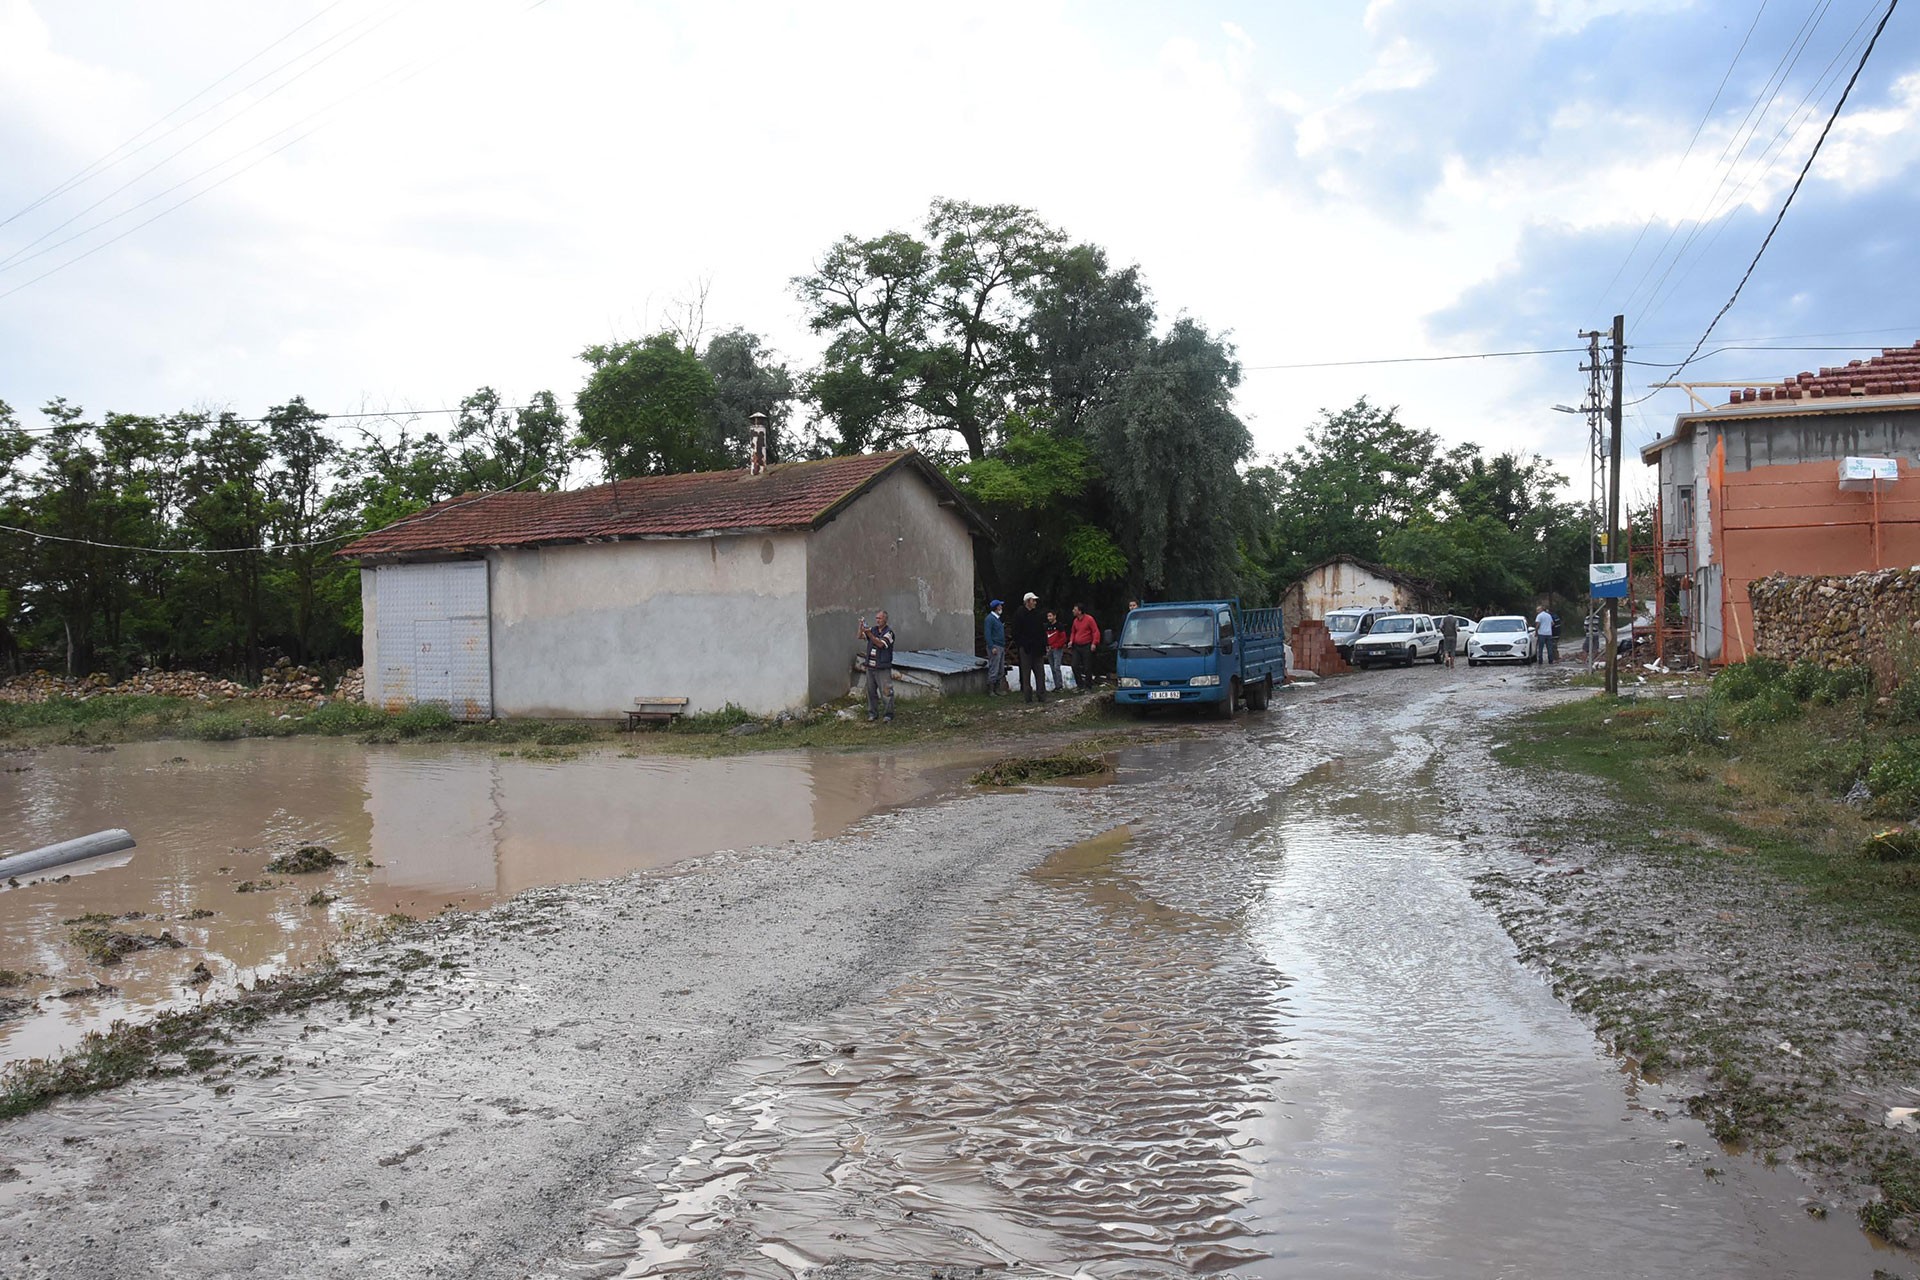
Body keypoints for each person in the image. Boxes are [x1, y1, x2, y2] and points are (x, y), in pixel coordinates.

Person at [1011, 591, 1048, 703]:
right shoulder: (1019, 614)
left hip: (1038, 648)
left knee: (1040, 672)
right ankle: (1028, 697)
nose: (1035, 602)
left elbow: (1042, 631)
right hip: (1026, 648)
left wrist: (1044, 644)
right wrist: (1023, 644)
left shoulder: (1037, 615)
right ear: (1028, 602)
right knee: (1026, 673)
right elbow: (1016, 632)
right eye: (1033, 600)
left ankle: (1041, 695)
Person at [858, 610, 895, 722]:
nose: (877, 620)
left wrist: (869, 634)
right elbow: (859, 636)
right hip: (870, 666)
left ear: (885, 620)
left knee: (886, 691)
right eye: (876, 618)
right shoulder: (873, 630)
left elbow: (880, 644)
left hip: (882, 667)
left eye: (880, 618)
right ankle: (872, 713)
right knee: (871, 691)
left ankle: (888, 714)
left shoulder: (889, 633)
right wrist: (861, 627)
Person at [1069, 603, 1100, 688]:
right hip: (1077, 646)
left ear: (1079, 611)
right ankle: (1080, 685)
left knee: (1087, 667)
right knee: (1074, 665)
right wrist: (1071, 641)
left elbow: (1095, 631)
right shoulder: (1075, 621)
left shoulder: (1089, 619)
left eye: (1075, 610)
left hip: (1087, 645)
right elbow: (1073, 632)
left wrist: (1094, 643)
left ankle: (1088, 685)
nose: (1073, 611)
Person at [983, 599, 1007, 695]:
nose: (1001, 607)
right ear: (996, 607)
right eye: (1000, 605)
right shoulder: (990, 619)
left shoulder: (997, 619)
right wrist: (991, 646)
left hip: (1001, 646)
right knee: (994, 668)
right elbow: (987, 633)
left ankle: (997, 689)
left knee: (1001, 669)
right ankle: (991, 690)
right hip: (995, 646)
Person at [1045, 610, 1068, 694]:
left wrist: (1057, 645)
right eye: (1048, 616)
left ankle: (1060, 686)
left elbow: (1063, 638)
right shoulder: (1047, 626)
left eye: (1050, 616)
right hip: (1049, 648)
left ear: (1055, 616)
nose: (1049, 618)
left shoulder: (1059, 626)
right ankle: (1056, 685)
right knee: (1052, 667)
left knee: (1056, 667)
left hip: (1057, 648)